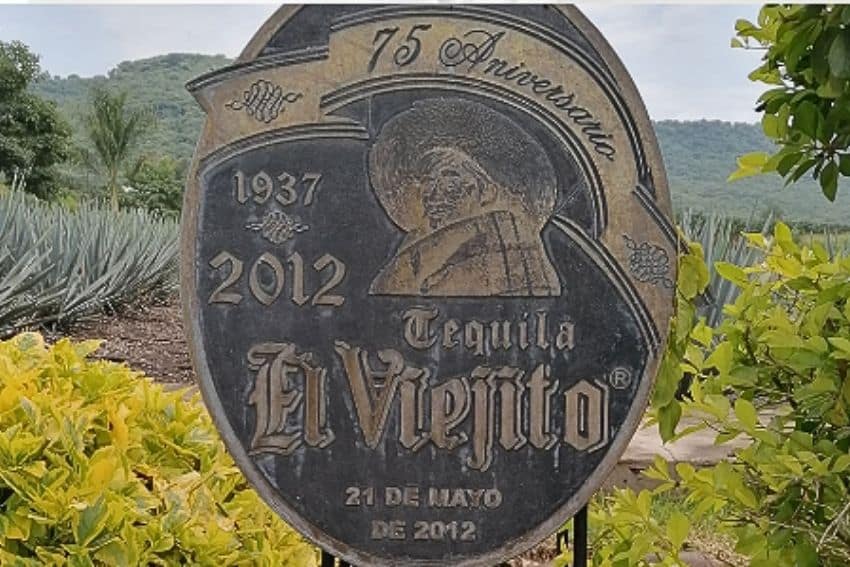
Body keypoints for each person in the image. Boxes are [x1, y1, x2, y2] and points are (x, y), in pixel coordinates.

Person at [368, 97, 562, 297]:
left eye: (450, 182)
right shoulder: (412, 250)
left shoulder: (513, 247)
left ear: (487, 192)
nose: (432, 195)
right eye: (428, 181)